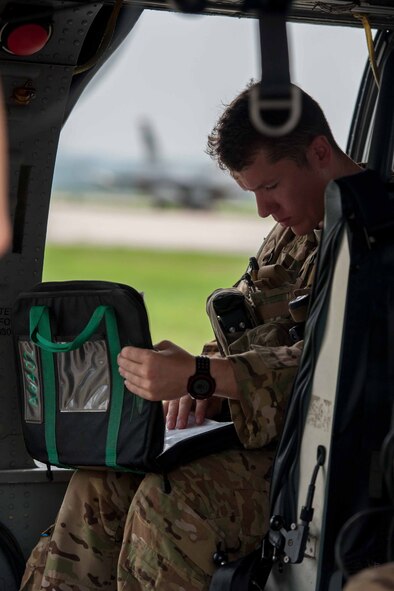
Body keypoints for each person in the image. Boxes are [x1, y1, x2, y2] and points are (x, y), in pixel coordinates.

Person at [20, 81, 362, 591]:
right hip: (262, 437)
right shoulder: (302, 228)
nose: (263, 211)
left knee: (172, 500)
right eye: (252, 193)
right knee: (101, 479)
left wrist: (207, 376)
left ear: (318, 152)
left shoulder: (377, 237)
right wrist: (194, 379)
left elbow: (345, 365)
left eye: (269, 187)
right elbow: (253, 327)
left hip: (334, 458)